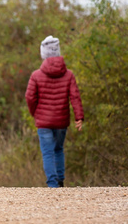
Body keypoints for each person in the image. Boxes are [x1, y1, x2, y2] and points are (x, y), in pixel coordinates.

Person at [25, 35, 84, 188]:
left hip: (43, 122)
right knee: (58, 149)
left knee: (48, 152)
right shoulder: (69, 74)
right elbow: (75, 96)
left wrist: (34, 113)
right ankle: (60, 181)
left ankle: (52, 184)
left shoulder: (36, 75)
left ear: (43, 54)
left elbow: (30, 97)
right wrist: (79, 117)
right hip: (61, 121)